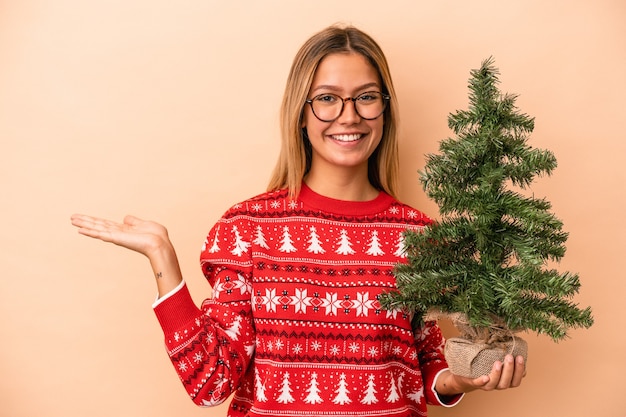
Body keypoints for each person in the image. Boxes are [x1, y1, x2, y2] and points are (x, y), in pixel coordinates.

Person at [71, 24, 524, 417]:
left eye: (366, 97)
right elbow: (209, 383)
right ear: (301, 113)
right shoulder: (248, 229)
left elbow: (424, 365)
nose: (349, 115)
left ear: (385, 108)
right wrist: (163, 262)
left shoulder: (419, 236)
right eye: (327, 99)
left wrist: (460, 382)